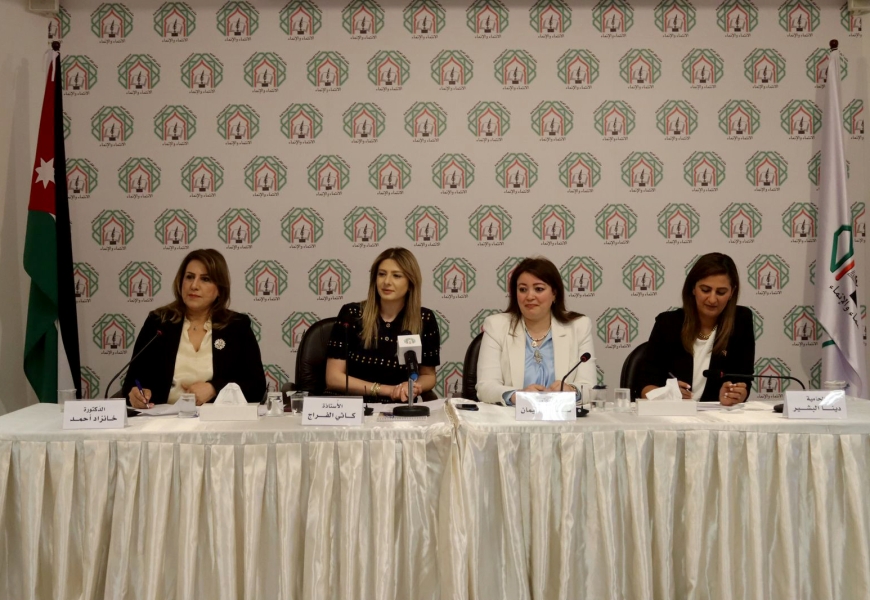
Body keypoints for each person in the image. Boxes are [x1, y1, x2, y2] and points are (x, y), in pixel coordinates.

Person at [123, 249, 266, 408]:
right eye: (189, 277)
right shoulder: (158, 323)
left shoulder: (236, 326)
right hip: (163, 419)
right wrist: (136, 395)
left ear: (219, 289)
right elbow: (131, 383)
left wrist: (214, 388)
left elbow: (257, 386)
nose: (194, 285)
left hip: (217, 420)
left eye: (205, 279)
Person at [638, 252, 755, 405]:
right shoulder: (668, 323)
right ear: (693, 288)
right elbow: (644, 386)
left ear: (732, 292)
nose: (712, 299)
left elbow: (744, 380)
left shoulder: (740, 321)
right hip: (674, 415)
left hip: (718, 415)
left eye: (721, 292)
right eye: (705, 290)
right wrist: (667, 395)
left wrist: (734, 394)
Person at [476, 257, 597, 405]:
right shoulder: (496, 326)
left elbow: (590, 387)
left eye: (539, 289)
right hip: (512, 417)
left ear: (554, 293)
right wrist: (517, 396)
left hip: (563, 416)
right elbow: (485, 387)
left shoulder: (578, 326)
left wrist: (571, 390)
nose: (529, 296)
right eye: (523, 289)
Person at [325, 247, 440, 402]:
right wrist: (387, 390)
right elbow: (333, 378)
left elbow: (428, 375)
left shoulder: (424, 319)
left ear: (410, 282)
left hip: (397, 407)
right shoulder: (351, 314)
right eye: (382, 274)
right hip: (352, 406)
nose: (386, 282)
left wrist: (415, 387)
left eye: (396, 276)